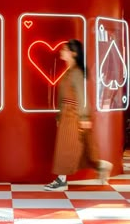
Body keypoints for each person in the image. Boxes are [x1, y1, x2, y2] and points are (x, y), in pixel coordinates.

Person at [44, 39, 113, 191]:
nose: (61, 51)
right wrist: (59, 116)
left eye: (65, 49)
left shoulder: (76, 72)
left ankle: (61, 181)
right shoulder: (70, 71)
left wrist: (84, 117)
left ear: (73, 53)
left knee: (66, 148)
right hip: (68, 114)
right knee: (82, 148)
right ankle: (101, 165)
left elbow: (82, 97)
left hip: (73, 115)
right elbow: (64, 97)